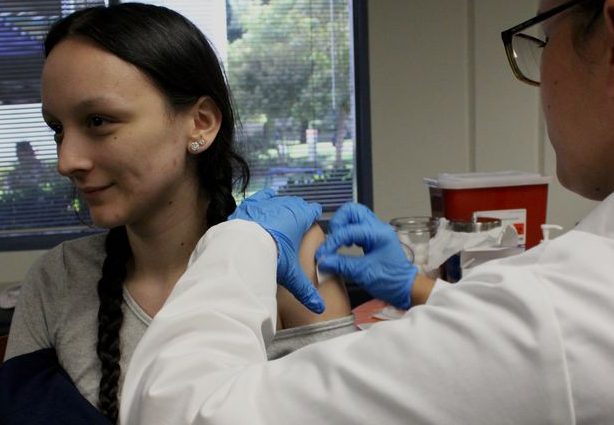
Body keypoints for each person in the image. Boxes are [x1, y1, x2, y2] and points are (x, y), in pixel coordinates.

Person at [120, 0, 614, 423]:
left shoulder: (565, 310)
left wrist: (242, 241)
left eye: (546, 41)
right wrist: (420, 289)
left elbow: (179, 410)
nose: (68, 161)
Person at [3, 3, 355, 424]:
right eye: (58, 129)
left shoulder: (289, 259)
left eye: (98, 120)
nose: (67, 160)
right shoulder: (58, 278)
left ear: (200, 123)